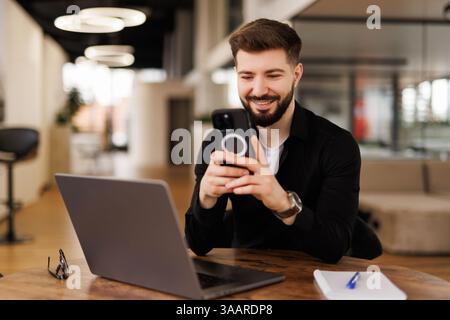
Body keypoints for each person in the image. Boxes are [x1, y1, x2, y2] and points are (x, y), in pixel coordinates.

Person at [185, 18, 363, 263]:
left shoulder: (338, 145)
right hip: (244, 276)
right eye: (247, 76)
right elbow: (199, 244)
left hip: (311, 278)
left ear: (296, 75)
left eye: (273, 75)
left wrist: (283, 203)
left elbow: (335, 246)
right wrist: (205, 197)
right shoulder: (219, 142)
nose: (259, 90)